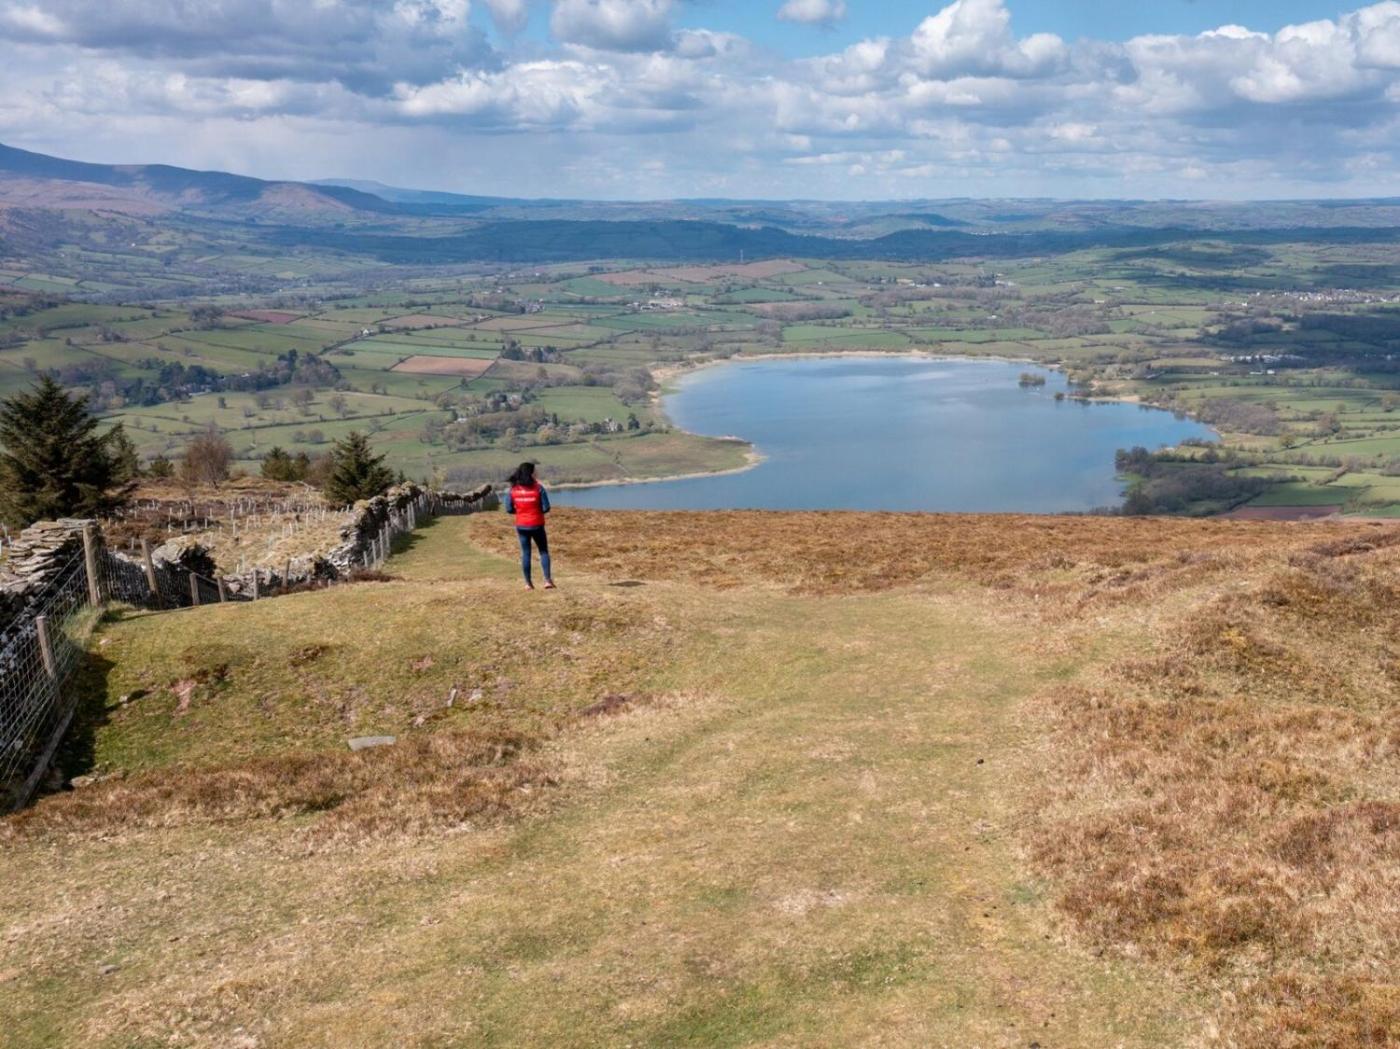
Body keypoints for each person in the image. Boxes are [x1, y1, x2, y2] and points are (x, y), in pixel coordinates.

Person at [504, 462, 555, 590]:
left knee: (526, 553)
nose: (537, 473)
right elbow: (546, 507)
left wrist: (520, 512)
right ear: (531, 473)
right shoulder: (538, 488)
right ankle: (547, 581)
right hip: (537, 524)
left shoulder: (513, 489)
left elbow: (509, 509)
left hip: (522, 525)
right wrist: (536, 511)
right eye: (535, 471)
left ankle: (528, 583)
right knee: (543, 551)